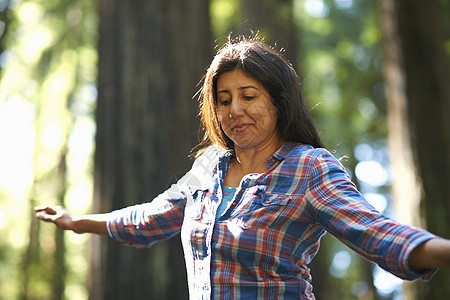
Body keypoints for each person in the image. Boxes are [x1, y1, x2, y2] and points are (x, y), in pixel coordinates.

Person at [35, 37, 450, 299]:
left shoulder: (309, 167)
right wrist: (79, 222)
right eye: (224, 98)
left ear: (277, 101)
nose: (235, 110)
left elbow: (377, 233)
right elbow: (152, 217)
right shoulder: (209, 166)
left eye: (249, 95)